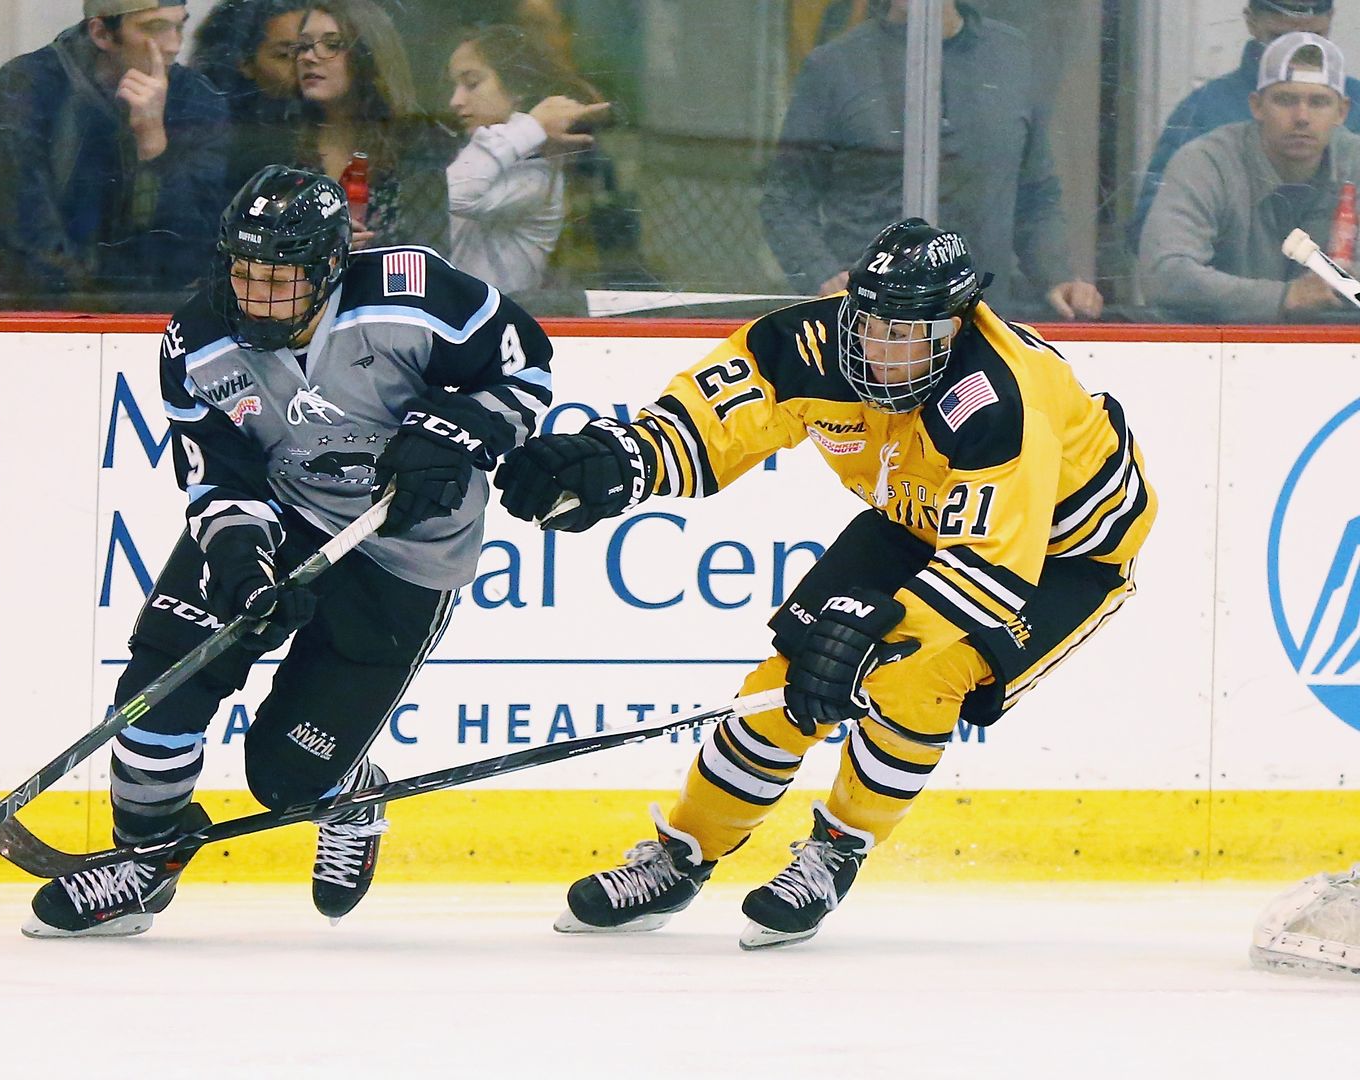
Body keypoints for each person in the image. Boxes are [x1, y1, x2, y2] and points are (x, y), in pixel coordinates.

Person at [495, 218, 1156, 948]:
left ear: (956, 325)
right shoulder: (804, 344)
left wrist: (869, 642)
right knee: (782, 684)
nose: (881, 350)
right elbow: (710, 423)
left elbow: (992, 565)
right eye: (870, 325)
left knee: (918, 681)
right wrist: (619, 460)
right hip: (917, 522)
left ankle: (836, 850)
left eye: (906, 335)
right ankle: (681, 858)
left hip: (1061, 559)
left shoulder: (1001, 397)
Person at [22, 165, 554, 937]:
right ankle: (141, 862)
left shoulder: (413, 295)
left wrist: (453, 434)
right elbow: (221, 481)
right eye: (243, 272)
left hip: (406, 550)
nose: (255, 294)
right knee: (160, 690)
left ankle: (350, 793)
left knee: (287, 779)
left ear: (330, 266)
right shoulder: (197, 343)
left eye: (278, 278)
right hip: (285, 513)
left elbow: (524, 367)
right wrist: (245, 568)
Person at [759, 0, 1103, 322]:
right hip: (869, 327)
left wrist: (1056, 276)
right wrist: (822, 274)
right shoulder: (835, 67)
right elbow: (785, 200)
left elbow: (1034, 194)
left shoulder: (1011, 57)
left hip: (983, 323)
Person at [0, 0, 230, 306]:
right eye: (155, 28)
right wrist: (99, 299)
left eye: (179, 26)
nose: (174, 46)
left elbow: (190, 250)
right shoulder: (23, 88)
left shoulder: (195, 97)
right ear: (101, 33)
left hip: (152, 302)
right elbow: (23, 230)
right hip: (40, 303)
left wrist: (153, 145)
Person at [1140, 33, 1360, 323]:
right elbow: (1164, 274)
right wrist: (1284, 297)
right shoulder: (1207, 162)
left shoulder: (1355, 161)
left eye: (1318, 102)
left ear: (1342, 112)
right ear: (1256, 106)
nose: (1302, 117)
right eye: (1285, 100)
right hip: (1218, 343)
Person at [1131, 1, 1360, 250]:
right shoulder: (1203, 110)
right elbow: (1154, 235)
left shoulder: (1356, 103)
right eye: (1279, 37)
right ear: (1252, 21)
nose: (1293, 50)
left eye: (1313, 38)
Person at [443, 24, 607, 295]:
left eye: (472, 83)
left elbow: (453, 194)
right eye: (454, 86)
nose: (455, 100)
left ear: (517, 88)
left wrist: (531, 126)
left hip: (500, 315)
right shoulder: (497, 155)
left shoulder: (536, 173)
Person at [293, 0, 454, 253]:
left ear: (368, 55)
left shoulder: (414, 147)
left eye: (332, 45)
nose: (308, 57)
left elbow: (429, 256)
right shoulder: (282, 146)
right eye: (303, 46)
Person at [190, 0, 309, 196]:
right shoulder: (221, 141)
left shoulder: (335, 122)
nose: (307, 63)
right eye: (285, 55)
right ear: (244, 63)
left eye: (309, 48)